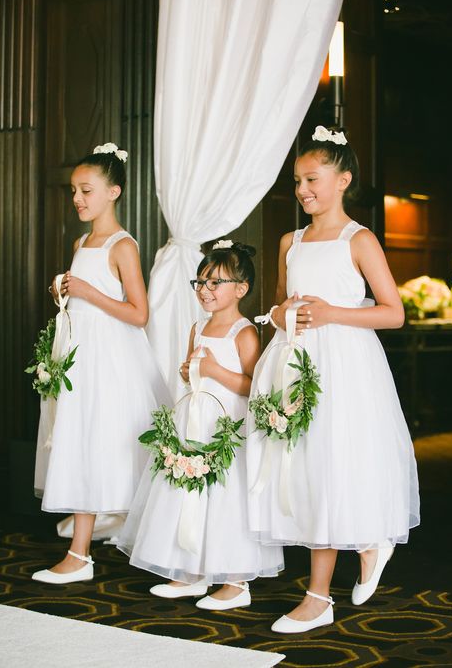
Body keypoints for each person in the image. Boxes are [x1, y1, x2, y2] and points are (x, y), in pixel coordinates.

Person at [246, 125, 420, 633]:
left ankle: (319, 595)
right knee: (298, 465)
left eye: (312, 179)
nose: (302, 190)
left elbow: (393, 314)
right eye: (298, 180)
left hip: (343, 363)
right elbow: (278, 301)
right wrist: (280, 316)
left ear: (343, 180)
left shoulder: (358, 239)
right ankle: (366, 543)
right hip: (294, 360)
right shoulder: (289, 241)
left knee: (329, 462)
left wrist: (332, 314)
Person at [33, 143, 171, 584]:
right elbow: (85, 298)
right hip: (79, 353)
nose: (78, 199)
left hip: (110, 359)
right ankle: (80, 551)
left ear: (113, 191)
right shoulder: (81, 241)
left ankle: (93, 550)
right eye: (74, 190)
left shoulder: (122, 245)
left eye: (86, 190)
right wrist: (67, 296)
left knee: (104, 443)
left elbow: (139, 313)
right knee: (79, 442)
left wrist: (90, 293)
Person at [118, 241, 284, 610]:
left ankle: (235, 580)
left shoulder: (243, 332)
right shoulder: (197, 327)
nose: (205, 290)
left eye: (215, 283)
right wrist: (189, 371)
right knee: (188, 492)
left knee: (226, 498)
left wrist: (213, 371)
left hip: (227, 425)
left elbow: (252, 386)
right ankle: (191, 570)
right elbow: (192, 368)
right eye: (201, 282)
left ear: (240, 289)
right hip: (193, 419)